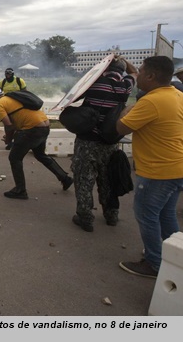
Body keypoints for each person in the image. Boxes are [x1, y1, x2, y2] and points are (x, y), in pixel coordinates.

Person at [116, 55, 183, 278]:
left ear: (152, 76)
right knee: (165, 214)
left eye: (142, 72)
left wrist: (127, 110)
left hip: (158, 170)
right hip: (177, 167)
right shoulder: (176, 94)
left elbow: (121, 129)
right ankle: (175, 257)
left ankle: (154, 263)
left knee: (146, 214)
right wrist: (128, 65)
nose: (139, 75)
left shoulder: (150, 102)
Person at [70, 57, 138, 232]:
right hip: (110, 142)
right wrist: (124, 60)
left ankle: (85, 217)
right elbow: (134, 72)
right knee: (108, 178)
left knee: (84, 179)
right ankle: (111, 215)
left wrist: (103, 64)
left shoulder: (94, 83)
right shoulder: (125, 86)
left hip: (87, 140)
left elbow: (74, 94)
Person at [0, 85, 73, 200]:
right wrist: (12, 136)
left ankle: (20, 190)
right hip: (44, 125)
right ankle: (64, 178)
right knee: (40, 155)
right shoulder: (13, 97)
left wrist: (8, 140)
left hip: (32, 129)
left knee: (15, 158)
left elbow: (8, 126)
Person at [0, 68, 27, 150]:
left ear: (12, 74)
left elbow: (25, 93)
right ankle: (9, 142)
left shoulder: (19, 81)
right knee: (8, 125)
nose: (8, 76)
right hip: (7, 107)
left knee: (18, 124)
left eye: (9, 74)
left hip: (18, 107)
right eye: (6, 74)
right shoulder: (2, 82)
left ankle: (17, 141)